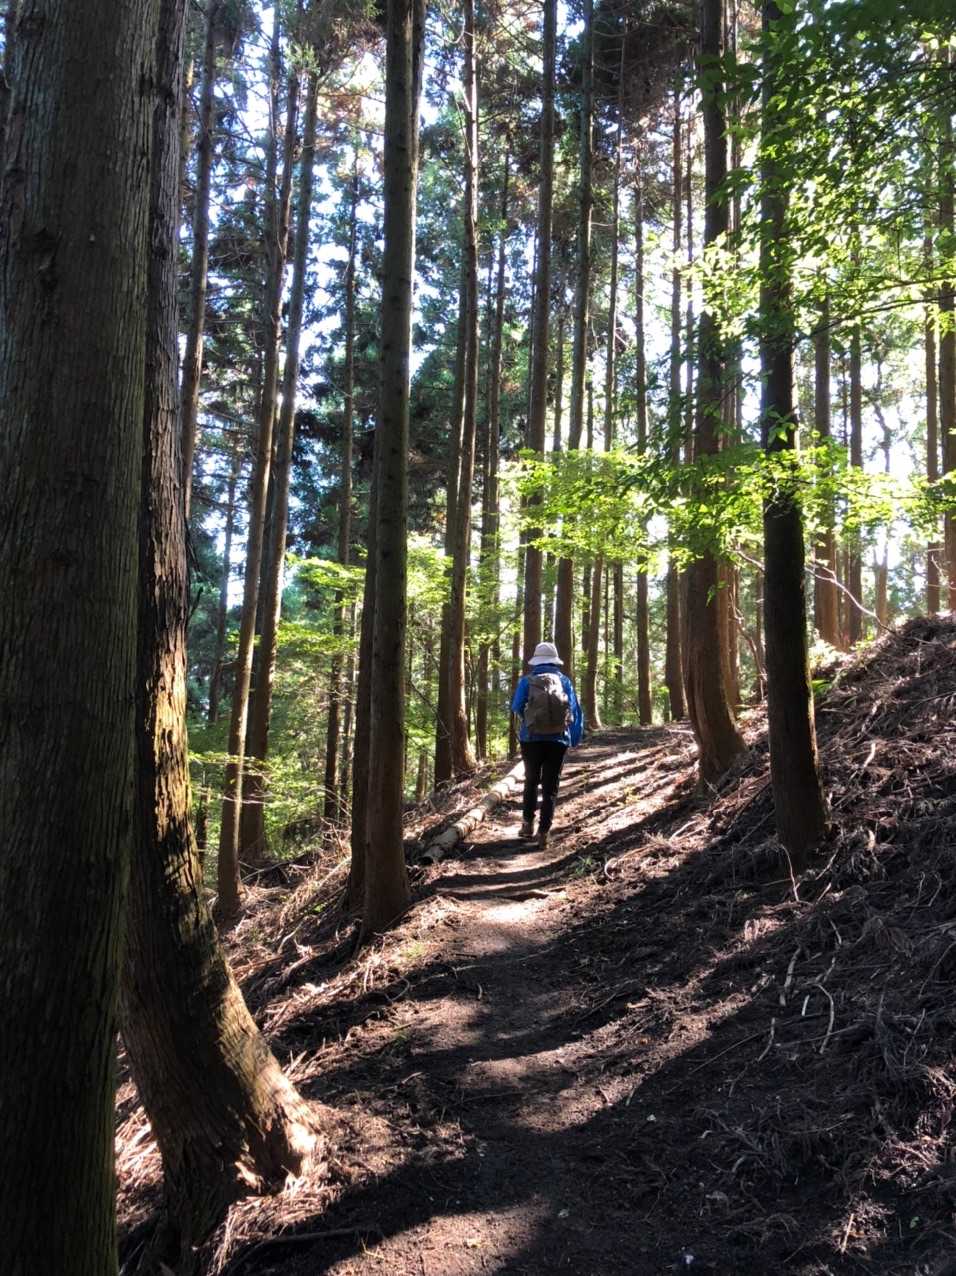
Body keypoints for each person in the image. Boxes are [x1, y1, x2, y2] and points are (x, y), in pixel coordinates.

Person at [510, 641, 584, 849]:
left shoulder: (527, 680)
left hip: (531, 739)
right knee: (551, 787)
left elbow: (516, 706)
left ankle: (527, 825)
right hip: (558, 740)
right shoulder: (564, 681)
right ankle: (544, 832)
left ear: (536, 660)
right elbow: (575, 711)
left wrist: (530, 720)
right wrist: (574, 738)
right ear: (555, 661)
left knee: (531, 781)